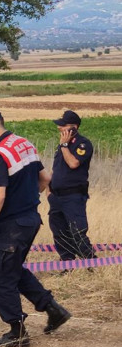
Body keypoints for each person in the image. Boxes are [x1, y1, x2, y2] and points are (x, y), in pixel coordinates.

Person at [0, 106, 71, 347]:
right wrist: (25, 201)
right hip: (30, 220)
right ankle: (52, 309)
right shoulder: (24, 144)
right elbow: (46, 179)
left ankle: (17, 332)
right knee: (14, 268)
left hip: (11, 225)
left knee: (3, 277)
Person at [48, 110, 95, 262]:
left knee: (77, 231)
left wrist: (65, 145)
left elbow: (73, 163)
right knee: (59, 231)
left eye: (63, 125)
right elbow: (55, 170)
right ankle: (66, 263)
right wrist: (49, 191)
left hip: (73, 196)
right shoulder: (62, 146)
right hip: (57, 197)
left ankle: (91, 262)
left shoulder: (83, 144)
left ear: (74, 127)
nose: (59, 128)